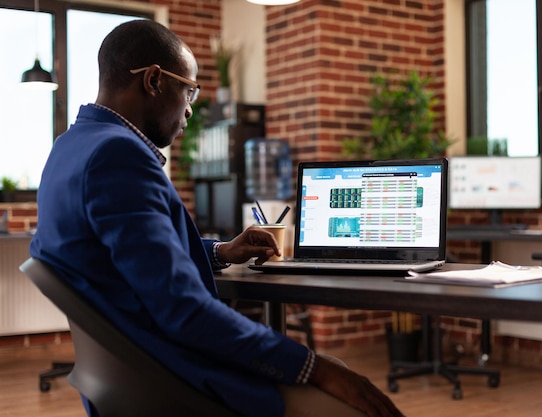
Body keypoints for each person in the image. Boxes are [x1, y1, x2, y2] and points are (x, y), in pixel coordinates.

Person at [30, 19, 403, 417]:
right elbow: (184, 312)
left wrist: (221, 250)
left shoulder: (70, 148)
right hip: (173, 380)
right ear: (154, 81)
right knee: (350, 392)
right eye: (189, 89)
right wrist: (312, 366)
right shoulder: (117, 157)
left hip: (129, 374)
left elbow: (129, 258)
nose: (190, 107)